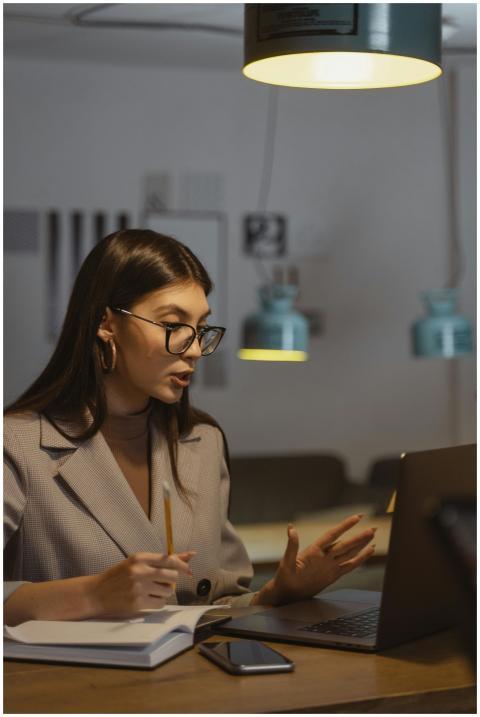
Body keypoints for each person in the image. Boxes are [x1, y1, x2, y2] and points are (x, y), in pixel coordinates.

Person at [4, 229, 375, 627]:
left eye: (200, 328)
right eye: (173, 324)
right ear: (106, 323)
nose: (195, 348)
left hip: (197, 683)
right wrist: (92, 595)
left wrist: (280, 591)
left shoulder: (202, 443)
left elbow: (219, 602)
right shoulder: (18, 445)